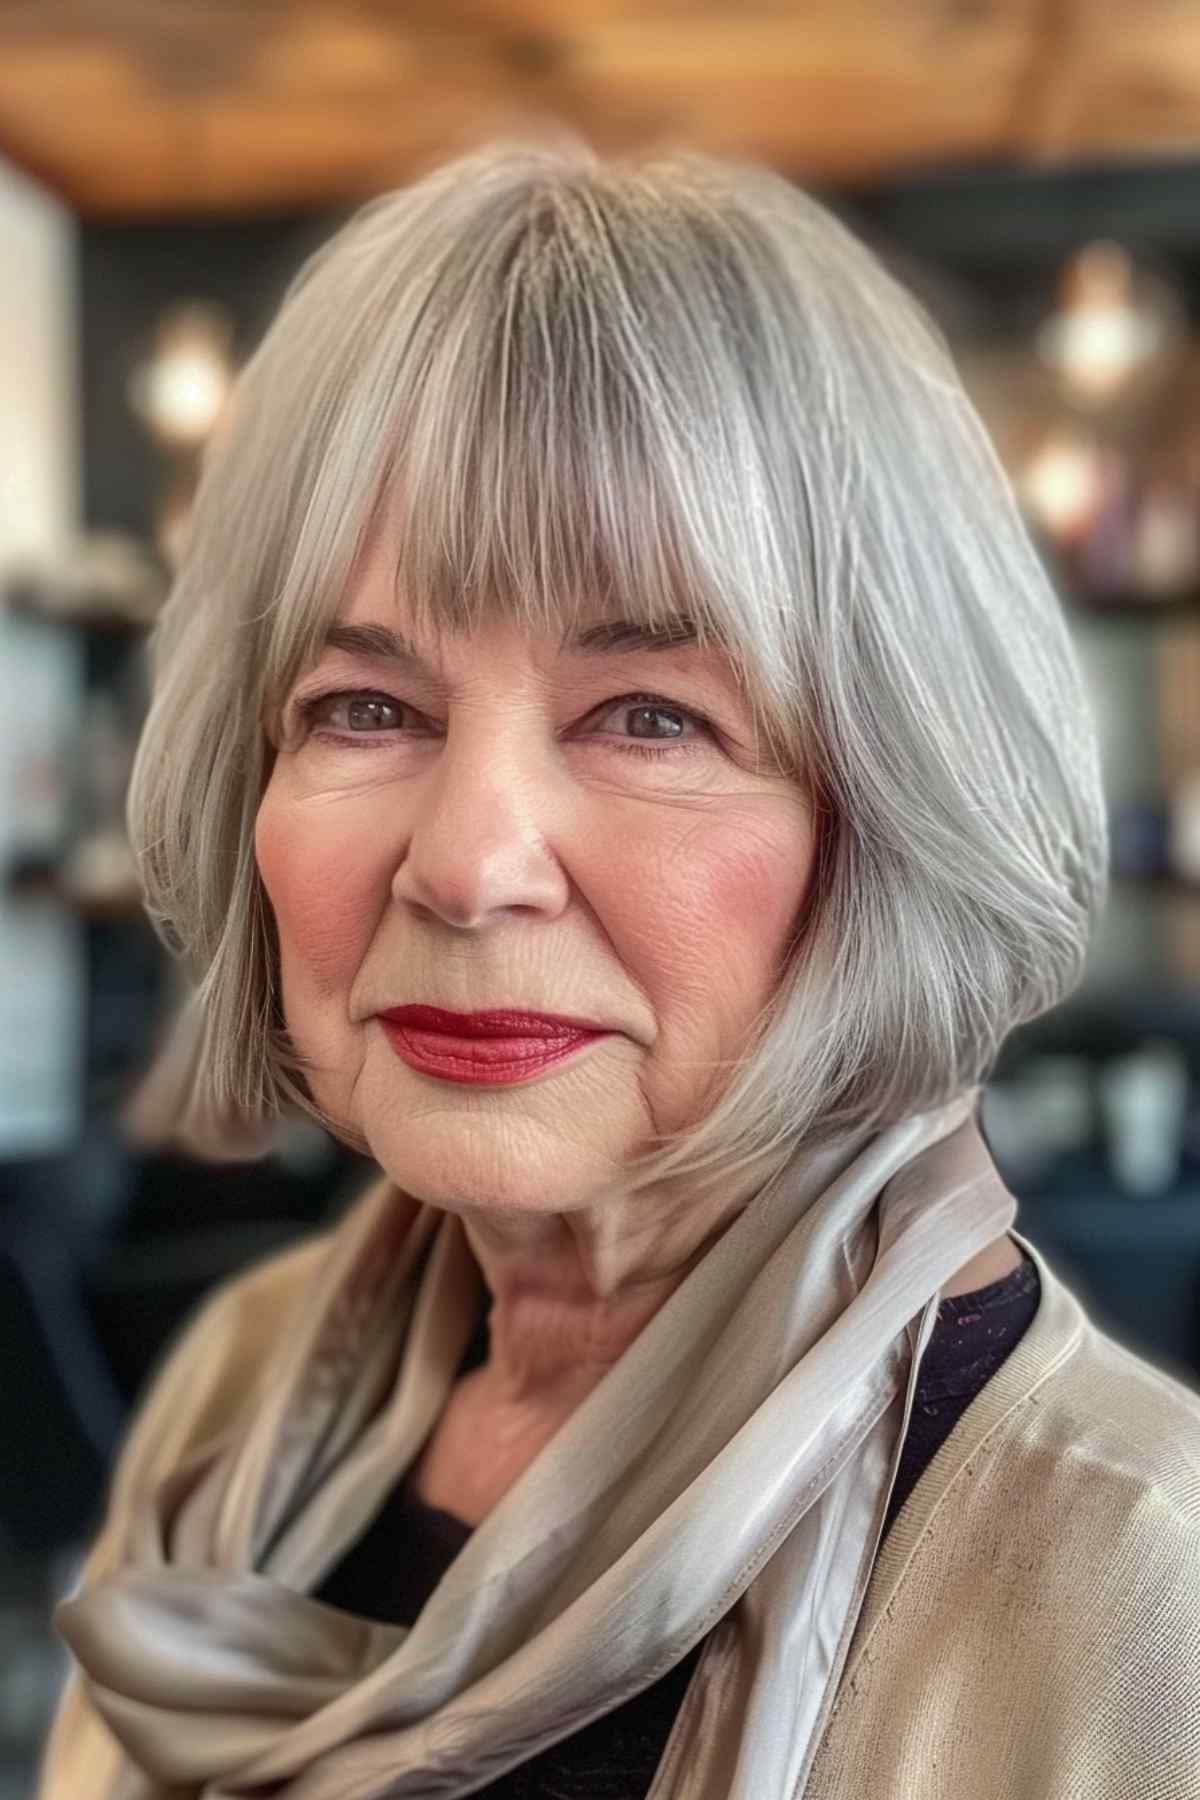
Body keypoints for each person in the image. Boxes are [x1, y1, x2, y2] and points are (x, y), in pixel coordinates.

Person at [38, 133, 1200, 1800]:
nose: (466, 862)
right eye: (367, 707)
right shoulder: (236, 1391)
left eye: (651, 716)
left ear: (883, 815)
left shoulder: (1136, 1593)